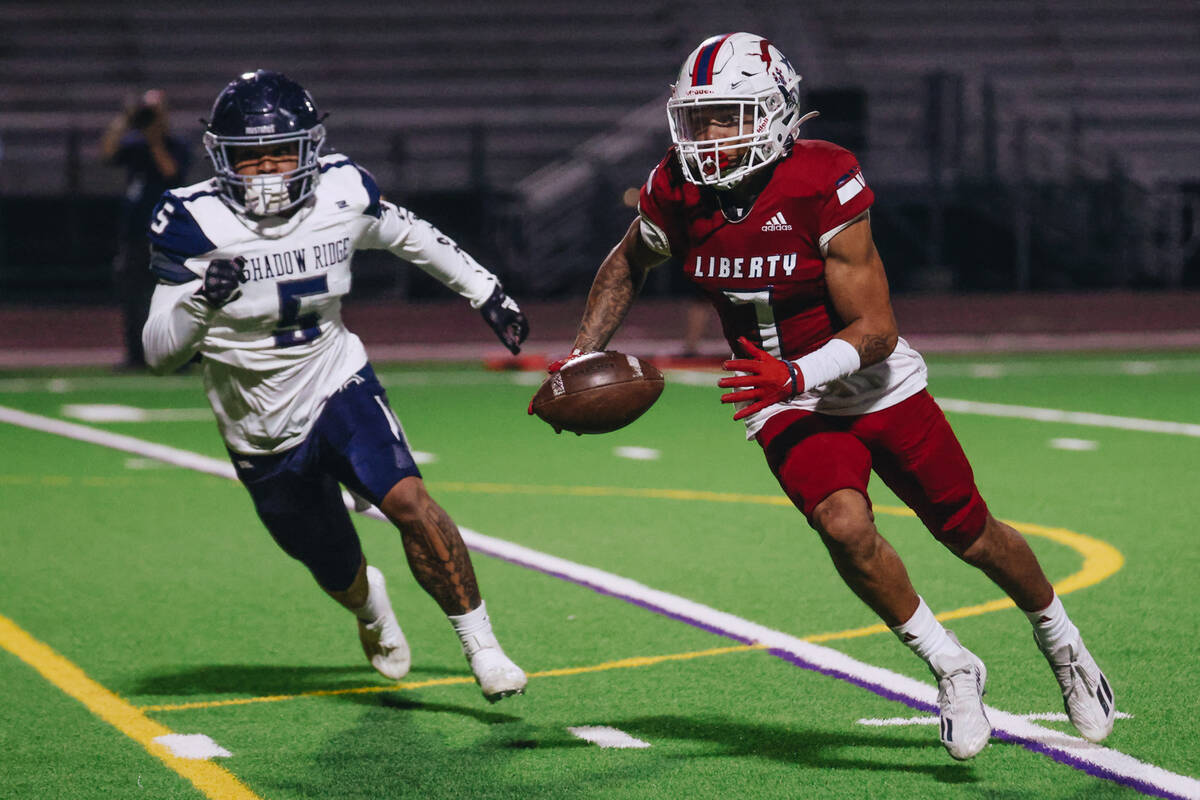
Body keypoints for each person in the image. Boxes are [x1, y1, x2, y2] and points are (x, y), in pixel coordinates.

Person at [534, 33, 1115, 758]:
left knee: (969, 532)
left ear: (777, 112)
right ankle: (951, 665)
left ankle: (1061, 642)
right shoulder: (675, 193)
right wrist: (582, 355)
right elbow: (627, 261)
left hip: (868, 383)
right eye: (700, 118)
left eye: (732, 115)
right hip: (779, 396)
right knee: (843, 526)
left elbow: (876, 329)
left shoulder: (822, 179)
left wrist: (799, 373)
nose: (711, 136)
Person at [142, 70, 530, 702]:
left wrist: (486, 291)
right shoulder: (192, 220)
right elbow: (159, 352)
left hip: (336, 379)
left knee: (410, 501)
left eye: (279, 153)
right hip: (258, 424)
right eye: (249, 157)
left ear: (310, 150)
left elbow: (413, 236)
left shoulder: (341, 190)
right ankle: (369, 606)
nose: (266, 172)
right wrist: (200, 304)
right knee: (333, 566)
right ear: (221, 159)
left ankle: (483, 649)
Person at [101, 89, 191, 369]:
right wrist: (125, 120)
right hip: (133, 233)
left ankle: (177, 357)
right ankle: (136, 357)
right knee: (131, 297)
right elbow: (107, 153)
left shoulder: (174, 144)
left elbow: (170, 172)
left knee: (170, 297)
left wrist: (154, 139)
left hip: (166, 236)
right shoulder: (134, 144)